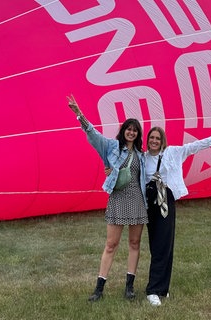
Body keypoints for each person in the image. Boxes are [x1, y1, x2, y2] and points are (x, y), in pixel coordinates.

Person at [67, 95, 148, 302]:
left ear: (138, 134)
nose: (131, 132)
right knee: (111, 244)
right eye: (128, 128)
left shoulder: (142, 155)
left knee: (134, 242)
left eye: (135, 129)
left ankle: (129, 286)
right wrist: (79, 114)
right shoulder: (112, 147)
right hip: (118, 200)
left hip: (138, 201)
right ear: (123, 131)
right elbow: (93, 135)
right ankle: (99, 288)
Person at [144, 126, 211, 306]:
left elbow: (194, 146)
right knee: (156, 244)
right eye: (151, 137)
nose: (154, 141)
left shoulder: (173, 152)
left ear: (162, 141)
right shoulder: (143, 158)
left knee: (165, 244)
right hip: (150, 203)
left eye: (157, 138)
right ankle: (158, 288)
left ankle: (156, 289)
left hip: (166, 201)